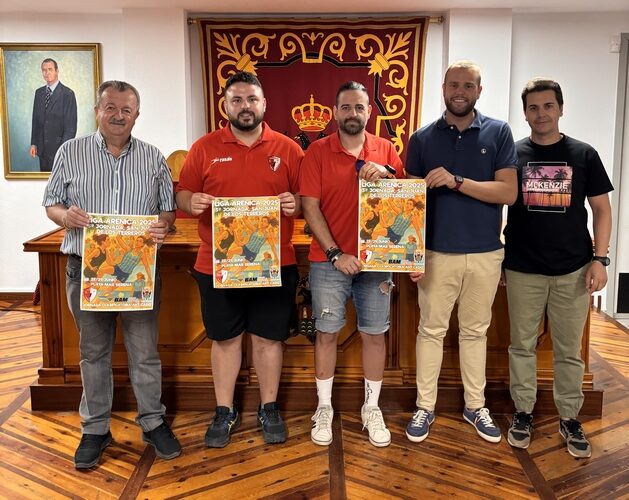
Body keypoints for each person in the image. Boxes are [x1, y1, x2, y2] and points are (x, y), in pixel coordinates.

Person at [42, 80, 181, 469]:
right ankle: (95, 429)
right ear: (97, 111)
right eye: (111, 108)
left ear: (137, 114)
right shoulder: (70, 152)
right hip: (87, 271)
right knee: (93, 353)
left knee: (144, 353)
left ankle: (153, 422)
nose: (118, 116)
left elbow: (168, 211)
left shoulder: (153, 157)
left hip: (138, 274)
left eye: (126, 110)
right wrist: (65, 217)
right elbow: (51, 203)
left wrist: (163, 225)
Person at [175, 71, 304, 448]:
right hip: (217, 264)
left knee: (269, 339)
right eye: (237, 100)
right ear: (225, 105)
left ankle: (269, 408)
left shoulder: (288, 149)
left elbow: (306, 198)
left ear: (264, 104)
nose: (245, 106)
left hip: (274, 263)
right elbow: (183, 194)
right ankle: (224, 410)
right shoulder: (203, 148)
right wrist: (191, 201)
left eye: (251, 99)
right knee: (225, 339)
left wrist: (295, 203)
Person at [405, 60, 518, 444]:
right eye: (454, 84)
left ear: (479, 91)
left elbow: (508, 192)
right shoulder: (422, 139)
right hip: (437, 253)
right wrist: (413, 255)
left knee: (475, 332)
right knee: (430, 331)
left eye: (468, 86)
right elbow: (411, 205)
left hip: (486, 253)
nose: (460, 91)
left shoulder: (499, 132)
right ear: (443, 88)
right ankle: (425, 406)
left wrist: (457, 181)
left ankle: (475, 406)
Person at [503, 78, 613, 458]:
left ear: (561, 109)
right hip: (522, 268)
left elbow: (602, 211)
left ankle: (569, 417)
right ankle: (523, 413)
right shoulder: (512, 154)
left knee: (569, 350)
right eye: (533, 107)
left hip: (573, 270)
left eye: (548, 106)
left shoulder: (584, 154)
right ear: (525, 113)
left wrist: (600, 259)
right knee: (521, 346)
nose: (541, 114)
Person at [300, 81, 403, 448]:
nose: (353, 113)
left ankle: (371, 408)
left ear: (369, 112)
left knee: (375, 334)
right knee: (326, 333)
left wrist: (386, 174)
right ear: (335, 112)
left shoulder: (386, 149)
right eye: (346, 107)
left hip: (377, 261)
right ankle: (324, 407)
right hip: (329, 262)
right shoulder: (317, 152)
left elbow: (404, 199)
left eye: (359, 107)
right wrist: (334, 254)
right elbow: (310, 207)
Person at [30, 58, 77, 172]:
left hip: (59, 150)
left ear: (57, 71)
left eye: (50, 69)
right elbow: (35, 120)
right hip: (42, 150)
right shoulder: (39, 93)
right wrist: (34, 144)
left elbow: (71, 127)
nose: (47, 73)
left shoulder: (68, 94)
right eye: (44, 70)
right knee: (44, 181)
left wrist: (63, 150)